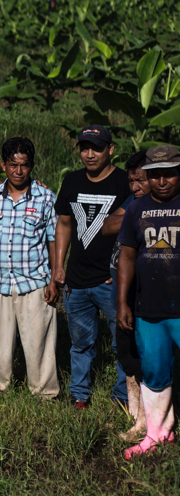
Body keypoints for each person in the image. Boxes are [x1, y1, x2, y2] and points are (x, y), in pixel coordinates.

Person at [0, 137, 60, 399]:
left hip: (35, 281)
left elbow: (54, 238)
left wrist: (55, 277)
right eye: (13, 165)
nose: (18, 171)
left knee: (39, 344)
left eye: (24, 165)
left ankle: (44, 393)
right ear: (3, 165)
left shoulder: (46, 198)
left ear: (31, 165)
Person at [54, 125, 131, 409]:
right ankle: (79, 395)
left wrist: (121, 273)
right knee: (81, 343)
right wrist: (58, 266)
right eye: (84, 148)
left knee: (121, 341)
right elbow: (63, 224)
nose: (89, 154)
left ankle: (122, 396)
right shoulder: (73, 181)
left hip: (110, 281)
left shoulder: (124, 183)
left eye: (97, 148)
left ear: (111, 150)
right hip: (77, 279)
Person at [115, 145, 180, 458]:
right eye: (156, 175)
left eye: (170, 173)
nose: (162, 181)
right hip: (149, 310)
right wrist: (122, 303)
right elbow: (126, 258)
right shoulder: (136, 209)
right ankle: (156, 435)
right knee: (154, 374)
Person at [101, 151, 150, 441]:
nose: (135, 187)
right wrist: (134, 215)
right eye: (131, 181)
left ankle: (149, 422)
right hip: (123, 291)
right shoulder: (134, 203)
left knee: (149, 357)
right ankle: (135, 418)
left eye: (140, 180)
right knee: (127, 352)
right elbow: (106, 226)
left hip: (149, 293)